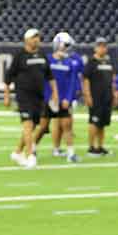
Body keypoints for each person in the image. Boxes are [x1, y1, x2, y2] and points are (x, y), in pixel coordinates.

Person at [4, 28, 59, 169]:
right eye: (34, 37)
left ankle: (17, 152)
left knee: (33, 125)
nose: (37, 40)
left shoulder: (42, 55)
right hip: (24, 96)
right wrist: (7, 96)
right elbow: (8, 78)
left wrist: (55, 93)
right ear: (27, 40)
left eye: (38, 37)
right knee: (28, 125)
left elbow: (50, 76)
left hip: (38, 97)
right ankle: (30, 155)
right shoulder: (19, 56)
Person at [47, 32, 80, 163]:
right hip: (51, 97)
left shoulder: (74, 59)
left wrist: (72, 95)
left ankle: (70, 153)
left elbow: (77, 77)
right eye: (66, 44)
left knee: (67, 124)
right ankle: (32, 150)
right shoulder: (50, 59)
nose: (68, 47)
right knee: (43, 126)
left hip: (66, 96)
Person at [83, 37, 117, 157]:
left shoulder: (108, 62)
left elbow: (112, 80)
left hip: (107, 97)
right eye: (100, 46)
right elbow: (85, 79)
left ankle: (100, 146)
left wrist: (114, 94)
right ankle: (91, 147)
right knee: (94, 122)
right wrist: (87, 95)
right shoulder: (91, 62)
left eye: (104, 46)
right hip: (96, 97)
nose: (102, 48)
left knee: (102, 124)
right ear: (96, 48)